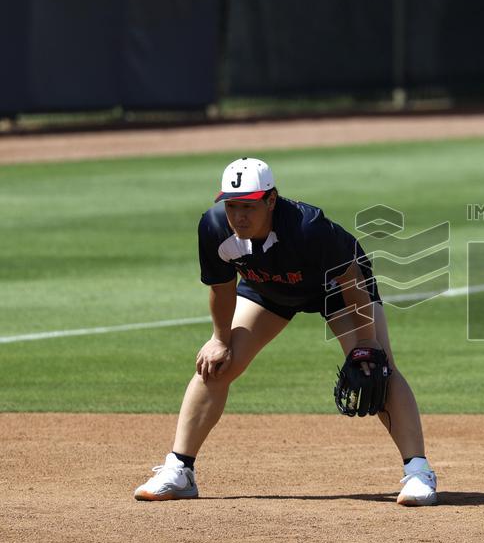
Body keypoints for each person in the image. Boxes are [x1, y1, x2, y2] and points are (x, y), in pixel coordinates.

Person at [134, 157, 437, 506]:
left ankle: (418, 473)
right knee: (217, 364)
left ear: (271, 199)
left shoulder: (309, 229)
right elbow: (221, 289)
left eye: (248, 206)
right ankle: (179, 470)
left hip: (336, 288)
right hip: (270, 288)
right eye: (232, 206)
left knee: (375, 368)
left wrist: (367, 343)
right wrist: (219, 339)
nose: (239, 216)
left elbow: (352, 284)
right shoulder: (215, 228)